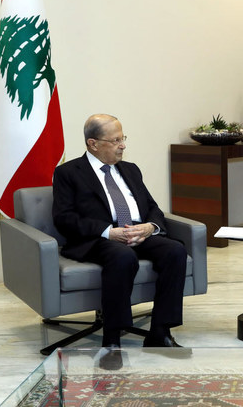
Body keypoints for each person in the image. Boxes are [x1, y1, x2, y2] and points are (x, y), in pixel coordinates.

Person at [52, 114, 188, 356]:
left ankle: (160, 333)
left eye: (123, 138)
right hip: (99, 238)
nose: (123, 145)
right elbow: (64, 218)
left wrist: (150, 227)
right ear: (93, 143)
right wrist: (108, 232)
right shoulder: (69, 173)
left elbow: (152, 207)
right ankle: (112, 339)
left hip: (137, 231)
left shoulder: (131, 170)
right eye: (115, 140)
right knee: (123, 256)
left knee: (175, 250)